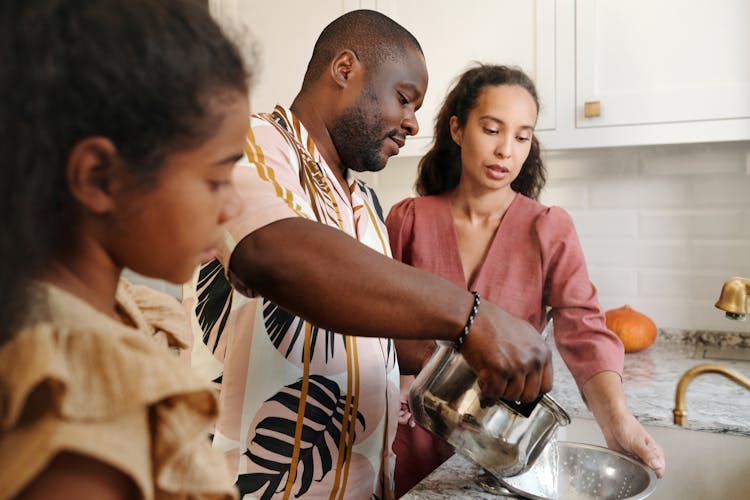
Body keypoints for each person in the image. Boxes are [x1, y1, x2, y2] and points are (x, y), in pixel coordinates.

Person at [183, 10, 554, 500]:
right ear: (344, 69)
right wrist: (473, 318)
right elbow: (270, 253)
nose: (413, 121)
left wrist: (467, 367)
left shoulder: (363, 202)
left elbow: (368, 327)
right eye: (404, 98)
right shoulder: (248, 144)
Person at [0, 0, 253, 498]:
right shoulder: (76, 400)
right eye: (217, 178)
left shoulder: (110, 314)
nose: (233, 206)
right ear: (101, 178)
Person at [386, 64, 667, 496]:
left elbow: (585, 332)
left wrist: (618, 422)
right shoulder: (408, 220)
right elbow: (374, 326)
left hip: (495, 449)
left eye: (521, 136)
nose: (506, 151)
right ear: (458, 130)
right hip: (404, 439)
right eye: (492, 129)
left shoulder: (548, 230)